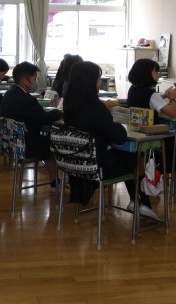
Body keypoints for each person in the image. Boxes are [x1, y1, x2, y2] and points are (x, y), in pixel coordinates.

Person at [63, 61, 158, 219]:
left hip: (77, 164)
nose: (100, 82)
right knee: (135, 156)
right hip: (97, 167)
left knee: (127, 156)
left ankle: (137, 202)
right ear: (89, 81)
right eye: (98, 78)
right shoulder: (95, 107)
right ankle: (143, 203)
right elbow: (119, 136)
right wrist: (110, 117)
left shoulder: (69, 104)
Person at [0, 61, 62, 191]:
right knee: (55, 144)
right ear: (25, 80)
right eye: (34, 78)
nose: (35, 82)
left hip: (11, 143)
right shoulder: (27, 99)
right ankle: (55, 182)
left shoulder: (9, 94)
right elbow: (44, 118)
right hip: (27, 145)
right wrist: (58, 112)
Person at [127, 58, 176, 173]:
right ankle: (159, 173)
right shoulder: (151, 94)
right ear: (147, 73)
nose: (158, 74)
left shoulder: (133, 89)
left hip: (138, 132)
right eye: (156, 71)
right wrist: (172, 99)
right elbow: (173, 113)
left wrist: (164, 95)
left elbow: (149, 100)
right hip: (153, 135)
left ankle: (156, 171)